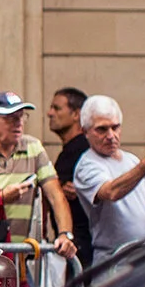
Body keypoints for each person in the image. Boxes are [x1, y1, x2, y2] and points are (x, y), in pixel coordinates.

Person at [72, 95, 145, 262]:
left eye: (115, 127)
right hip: (113, 260)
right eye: (102, 129)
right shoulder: (87, 164)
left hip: (144, 255)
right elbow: (111, 191)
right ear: (85, 132)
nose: (111, 135)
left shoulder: (131, 160)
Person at [0, 92, 76, 262]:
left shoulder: (33, 147)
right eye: (10, 118)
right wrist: (2, 197)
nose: (19, 123)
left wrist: (65, 234)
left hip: (23, 257)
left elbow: (56, 196)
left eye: (21, 116)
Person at [48, 87, 93, 272]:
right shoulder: (68, 152)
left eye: (57, 108)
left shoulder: (86, 151)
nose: (49, 113)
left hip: (84, 246)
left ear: (76, 114)